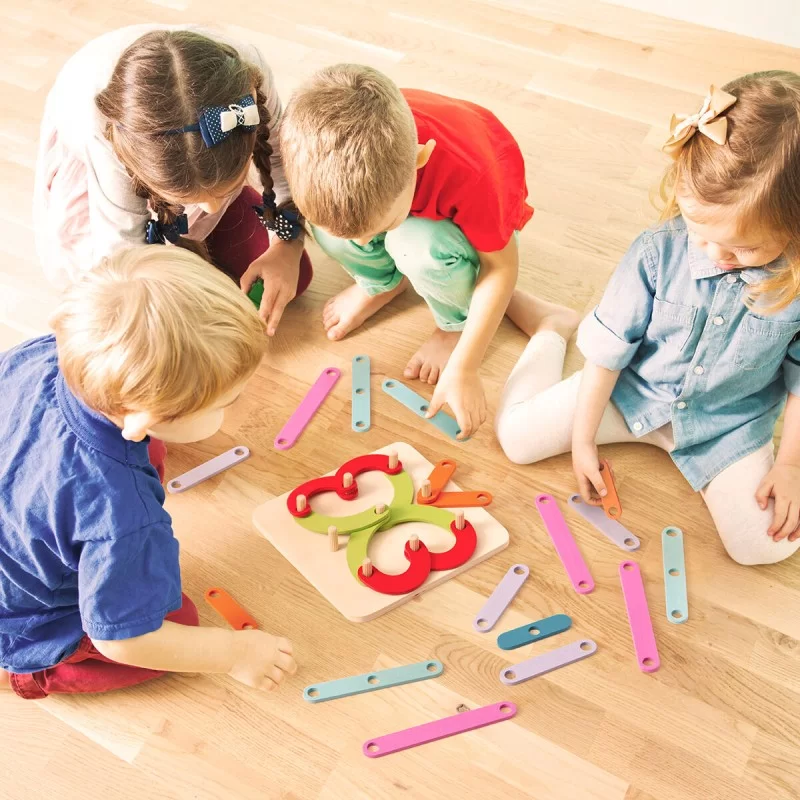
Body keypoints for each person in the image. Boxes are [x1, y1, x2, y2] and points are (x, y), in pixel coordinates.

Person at [495, 72, 800, 566]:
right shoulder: (657, 253)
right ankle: (550, 328)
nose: (717, 255)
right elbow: (607, 355)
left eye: (743, 248)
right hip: (630, 391)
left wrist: (789, 467)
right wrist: (582, 439)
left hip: (727, 424)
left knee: (766, 545)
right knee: (515, 440)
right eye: (701, 233)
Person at [0, 247, 296, 698]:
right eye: (227, 402)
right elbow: (123, 640)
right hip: (27, 618)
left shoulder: (44, 352)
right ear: (141, 418)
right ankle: (29, 671)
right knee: (177, 630)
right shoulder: (122, 511)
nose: (237, 407)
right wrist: (234, 653)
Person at [280, 64, 551, 439]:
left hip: (471, 200)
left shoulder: (475, 176)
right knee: (338, 234)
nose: (365, 244)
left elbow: (501, 268)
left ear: (419, 161)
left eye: (380, 228)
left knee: (414, 246)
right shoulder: (316, 154)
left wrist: (465, 365)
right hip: (401, 189)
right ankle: (382, 283)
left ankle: (453, 325)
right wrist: (351, 233)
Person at [34, 24, 311, 335]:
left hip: (171, 172)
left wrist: (287, 247)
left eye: (228, 188)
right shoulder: (103, 138)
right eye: (193, 200)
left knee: (294, 277)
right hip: (104, 169)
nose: (210, 208)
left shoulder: (249, 80)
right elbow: (124, 251)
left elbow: (280, 163)